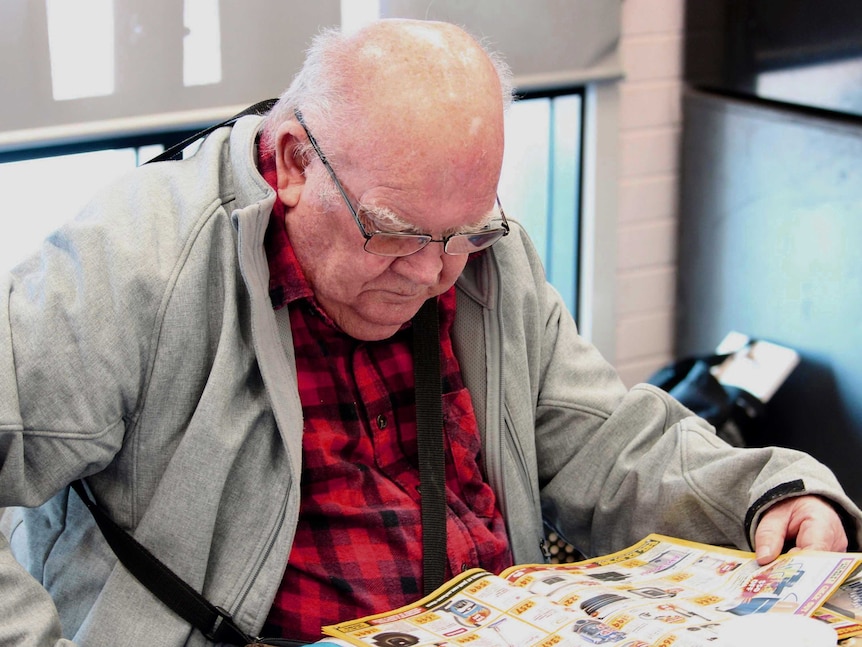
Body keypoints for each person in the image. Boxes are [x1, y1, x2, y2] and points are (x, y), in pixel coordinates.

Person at [0, 17, 859, 647]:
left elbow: (602, 435)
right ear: (297, 162)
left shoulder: (477, 249)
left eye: (464, 234)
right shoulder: (139, 260)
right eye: (398, 233)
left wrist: (766, 492)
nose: (434, 273)